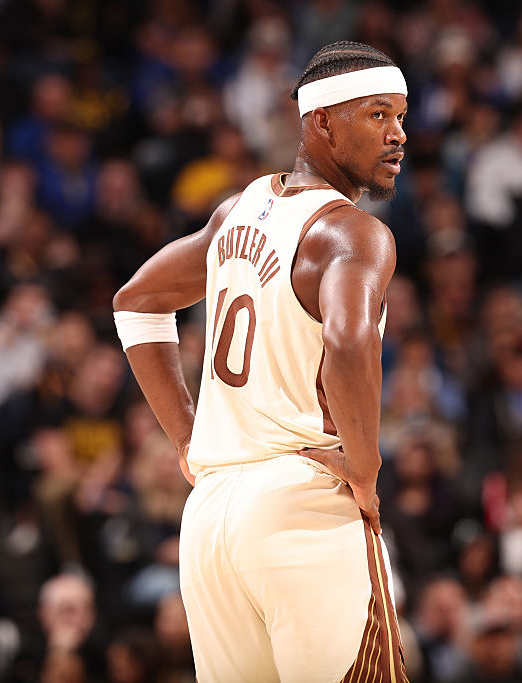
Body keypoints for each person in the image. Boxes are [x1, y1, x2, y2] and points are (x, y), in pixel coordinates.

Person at [113, 41, 409, 682]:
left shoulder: (236, 211)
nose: (398, 136)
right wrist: (364, 467)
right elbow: (351, 340)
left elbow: (137, 303)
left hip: (212, 517)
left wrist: (188, 441)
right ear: (321, 121)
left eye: (402, 118)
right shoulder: (352, 232)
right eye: (378, 115)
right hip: (301, 502)